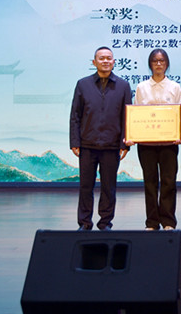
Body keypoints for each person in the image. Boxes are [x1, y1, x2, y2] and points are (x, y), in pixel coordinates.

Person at [70, 46, 132, 231]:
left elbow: (127, 117)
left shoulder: (123, 86)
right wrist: (75, 142)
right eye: (101, 58)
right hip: (87, 144)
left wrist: (125, 144)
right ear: (94, 62)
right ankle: (84, 223)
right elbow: (75, 115)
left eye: (108, 58)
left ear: (114, 62)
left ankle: (105, 223)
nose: (105, 61)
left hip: (112, 145)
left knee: (108, 187)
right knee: (85, 186)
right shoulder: (83, 84)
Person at [133, 49, 181, 231]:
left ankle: (168, 221)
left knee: (169, 182)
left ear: (166, 64)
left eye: (162, 61)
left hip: (169, 143)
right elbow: (136, 115)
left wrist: (179, 134)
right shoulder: (142, 87)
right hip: (146, 144)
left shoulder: (175, 87)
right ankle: (152, 222)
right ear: (150, 64)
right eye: (155, 61)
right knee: (150, 182)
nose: (158, 64)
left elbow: (179, 113)